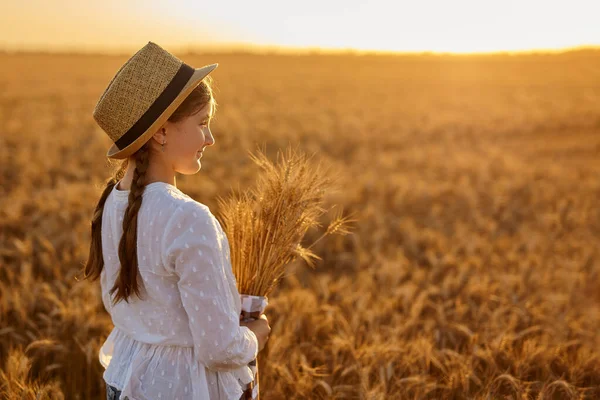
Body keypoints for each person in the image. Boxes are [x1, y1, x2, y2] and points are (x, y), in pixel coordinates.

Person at [81, 41, 271, 400]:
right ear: (161, 132)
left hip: (122, 381)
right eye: (202, 124)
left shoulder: (110, 202)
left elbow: (125, 306)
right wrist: (255, 336)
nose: (210, 139)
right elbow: (219, 349)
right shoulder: (188, 218)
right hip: (182, 389)